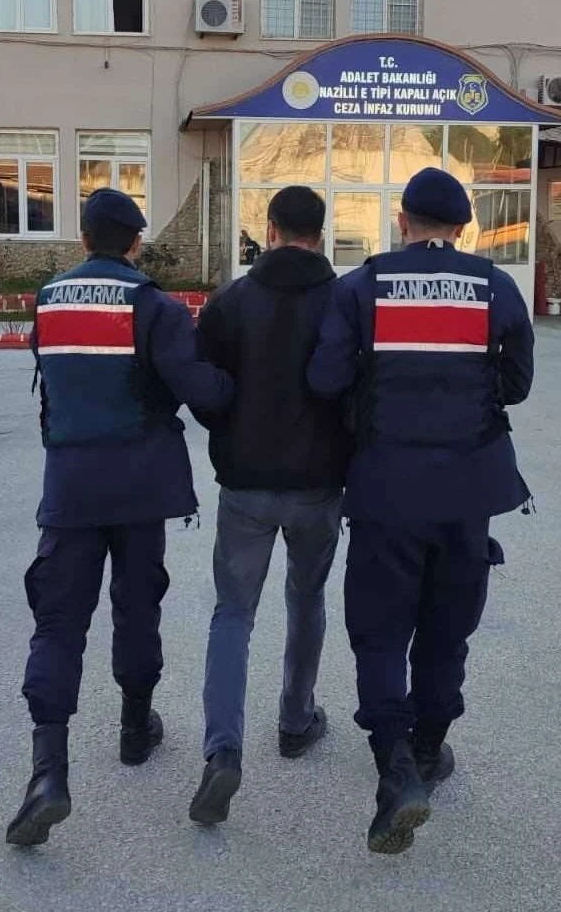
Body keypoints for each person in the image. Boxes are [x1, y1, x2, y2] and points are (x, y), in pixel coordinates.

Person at [307, 167, 535, 855]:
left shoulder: (361, 287)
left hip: (385, 489)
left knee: (380, 632)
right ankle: (429, 748)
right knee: (446, 628)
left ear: (401, 222)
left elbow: (324, 379)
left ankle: (396, 768)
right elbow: (517, 385)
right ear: (463, 229)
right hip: (468, 491)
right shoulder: (495, 286)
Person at [6, 188, 234, 847]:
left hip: (70, 488)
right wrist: (241, 389)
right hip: (140, 487)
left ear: (83, 239)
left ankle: (48, 772)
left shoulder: (50, 300)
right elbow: (198, 388)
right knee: (137, 607)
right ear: (136, 243)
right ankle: (136, 729)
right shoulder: (154, 306)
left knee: (58, 622)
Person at [187, 186, 350, 825]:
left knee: (233, 613)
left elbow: (204, 389)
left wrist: (229, 428)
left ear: (271, 229)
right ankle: (295, 720)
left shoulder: (229, 302)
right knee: (306, 598)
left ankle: (223, 751)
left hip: (246, 485)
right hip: (318, 483)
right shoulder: (345, 301)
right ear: (320, 233)